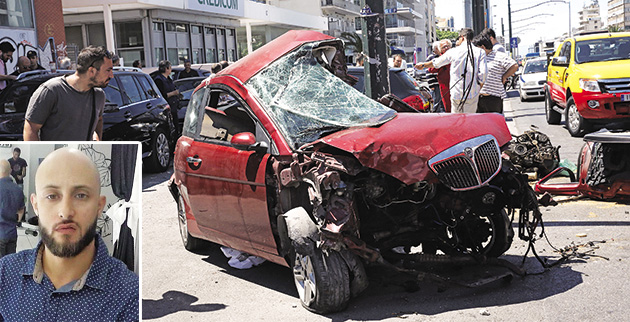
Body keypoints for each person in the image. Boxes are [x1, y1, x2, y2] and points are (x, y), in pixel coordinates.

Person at [0, 148, 139, 321]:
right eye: (52, 196)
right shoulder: (4, 274)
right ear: (35, 205)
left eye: (80, 195)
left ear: (99, 206)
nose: (65, 212)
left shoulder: (130, 297)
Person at [23, 46, 112, 141]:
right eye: (108, 70)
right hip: (54, 155)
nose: (112, 75)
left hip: (82, 155)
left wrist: (96, 140)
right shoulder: (51, 90)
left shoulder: (99, 95)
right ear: (92, 71)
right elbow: (30, 130)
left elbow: (98, 121)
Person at [415, 28, 487, 113]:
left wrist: (423, 65)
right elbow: (483, 73)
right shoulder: (480, 52)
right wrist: (479, 86)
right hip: (472, 93)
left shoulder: (454, 51)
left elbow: (437, 63)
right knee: (469, 120)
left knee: (456, 121)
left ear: (462, 37)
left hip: (456, 93)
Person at [472, 34, 518, 114]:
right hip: (478, 97)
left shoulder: (499, 56)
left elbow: (514, 66)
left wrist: (505, 76)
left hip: (494, 97)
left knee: (494, 123)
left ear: (482, 47)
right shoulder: (477, 58)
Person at [0, 159, 25, 259]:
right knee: (10, 263)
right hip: (12, 233)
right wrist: (16, 221)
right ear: (10, 171)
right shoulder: (18, 189)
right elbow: (21, 211)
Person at [153, 60, 180, 134]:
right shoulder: (159, 80)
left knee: (176, 127)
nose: (171, 70)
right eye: (170, 68)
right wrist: (173, 93)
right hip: (166, 108)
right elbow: (161, 95)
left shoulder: (169, 79)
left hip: (173, 106)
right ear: (166, 69)